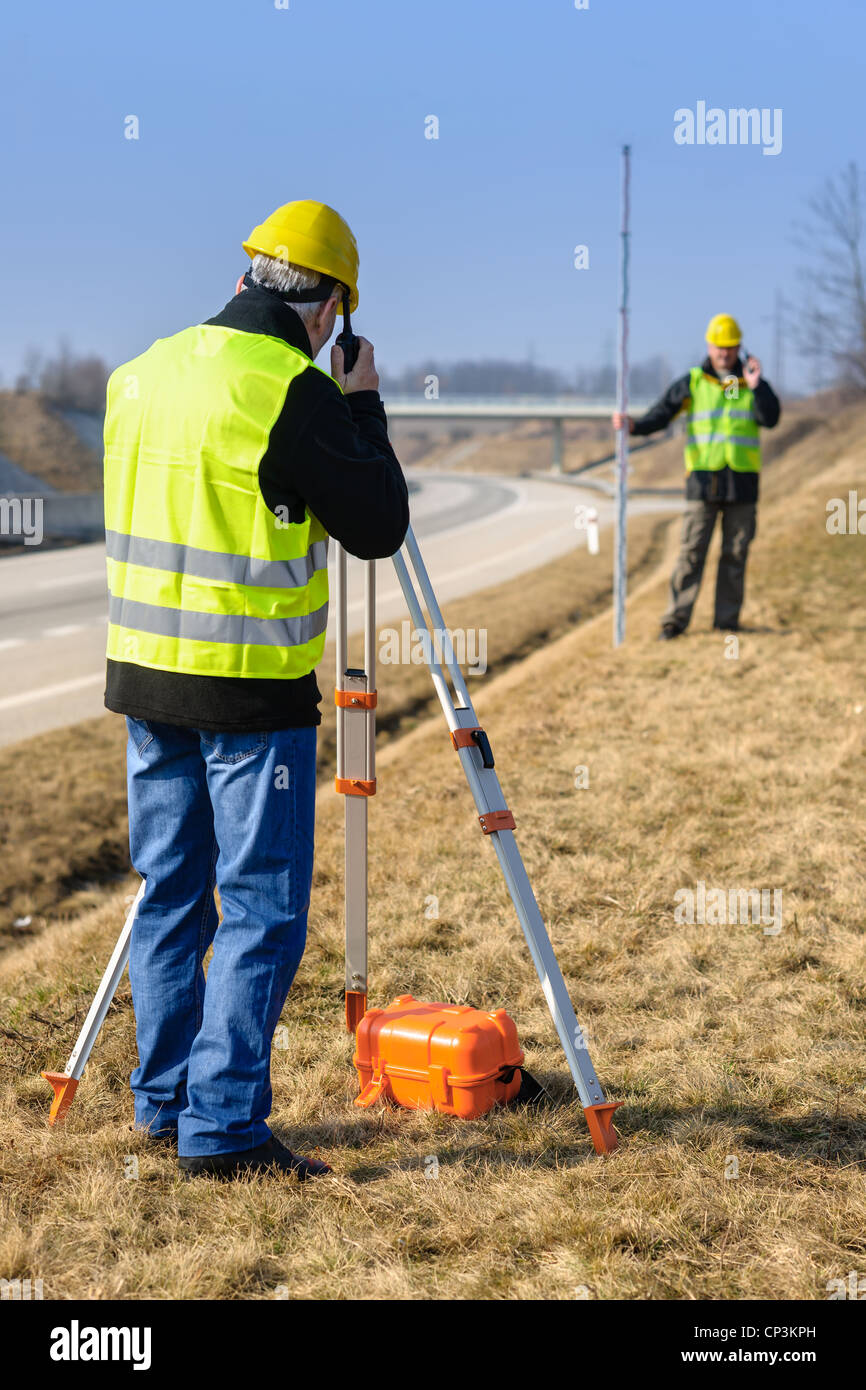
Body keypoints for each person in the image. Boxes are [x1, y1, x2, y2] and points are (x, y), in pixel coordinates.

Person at [102, 200, 409, 1179]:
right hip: (249, 699)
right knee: (261, 909)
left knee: (171, 895)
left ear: (247, 276)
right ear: (326, 307)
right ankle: (223, 1126)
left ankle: (162, 1104)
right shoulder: (291, 390)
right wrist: (359, 404)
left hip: (147, 686)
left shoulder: (138, 375)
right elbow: (375, 523)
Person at [613, 314, 781, 638]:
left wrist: (757, 385)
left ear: (739, 348)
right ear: (709, 346)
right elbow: (661, 415)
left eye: (730, 348)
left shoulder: (749, 383)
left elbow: (770, 418)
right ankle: (675, 621)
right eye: (719, 348)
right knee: (691, 553)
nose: (724, 354)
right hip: (703, 483)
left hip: (742, 484)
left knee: (735, 553)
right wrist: (633, 426)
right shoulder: (693, 382)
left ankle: (726, 622)